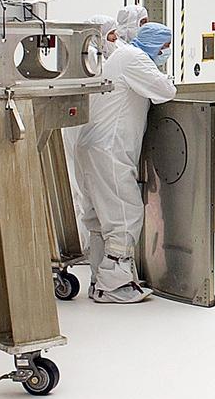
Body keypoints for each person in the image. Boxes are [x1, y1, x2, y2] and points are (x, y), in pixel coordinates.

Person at [74, 22, 177, 303]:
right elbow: (166, 91)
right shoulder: (135, 60)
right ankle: (115, 285)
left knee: (97, 217)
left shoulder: (121, 56)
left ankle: (100, 279)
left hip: (90, 146)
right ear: (156, 44)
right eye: (165, 48)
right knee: (123, 213)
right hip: (110, 149)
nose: (166, 53)